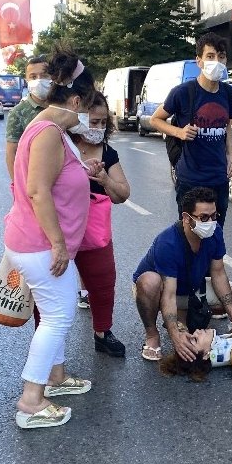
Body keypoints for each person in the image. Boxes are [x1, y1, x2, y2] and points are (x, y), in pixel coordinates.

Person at [1, 45, 98, 429]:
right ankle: (31, 401)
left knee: (57, 312)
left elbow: (55, 181)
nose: (89, 114)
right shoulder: (48, 132)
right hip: (41, 246)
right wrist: (59, 243)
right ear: (75, 99)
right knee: (57, 317)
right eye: (87, 105)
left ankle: (55, 378)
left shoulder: (51, 128)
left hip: (41, 243)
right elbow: (38, 191)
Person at [132, 187, 232, 363]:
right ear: (187, 218)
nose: (210, 222)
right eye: (203, 217)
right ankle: (152, 335)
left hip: (190, 289)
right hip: (158, 292)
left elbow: (218, 273)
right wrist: (175, 337)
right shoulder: (168, 242)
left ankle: (184, 315)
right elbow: (169, 294)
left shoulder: (215, 231)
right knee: (150, 281)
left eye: (214, 215)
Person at [150, 33, 232, 225]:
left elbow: (228, 125)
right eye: (210, 56)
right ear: (199, 61)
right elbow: (155, 120)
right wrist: (179, 132)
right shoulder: (183, 92)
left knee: (215, 235)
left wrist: (230, 154)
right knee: (189, 235)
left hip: (219, 178)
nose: (216, 61)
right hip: (190, 178)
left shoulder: (229, 93)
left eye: (221, 56)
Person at [70, 91, 131, 357]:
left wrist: (105, 180)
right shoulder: (62, 143)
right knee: (52, 288)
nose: (98, 128)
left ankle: (103, 333)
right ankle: (49, 342)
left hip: (94, 230)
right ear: (78, 118)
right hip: (59, 227)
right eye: (93, 122)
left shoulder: (108, 152)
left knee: (104, 281)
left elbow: (123, 194)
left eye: (103, 122)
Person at [6, 55, 51, 179]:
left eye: (44, 75)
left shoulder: (64, 106)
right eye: (33, 77)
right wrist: (18, 188)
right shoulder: (18, 113)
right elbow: (12, 152)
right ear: (26, 80)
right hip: (34, 180)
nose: (39, 80)